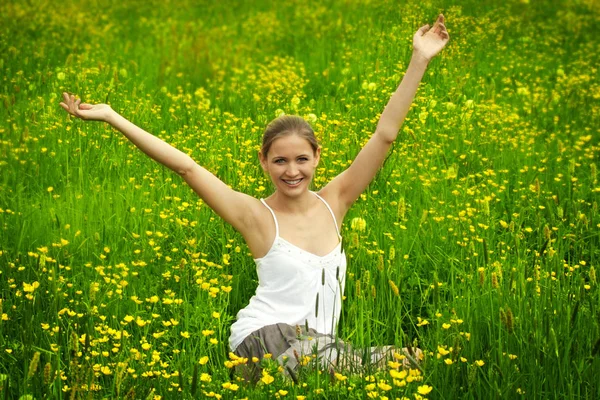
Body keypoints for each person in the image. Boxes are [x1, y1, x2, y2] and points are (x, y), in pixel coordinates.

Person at [60, 15, 449, 382]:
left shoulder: (337, 202)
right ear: (263, 161)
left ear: (317, 157)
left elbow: (386, 135)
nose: (291, 171)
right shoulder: (255, 216)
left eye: (301, 159)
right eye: (279, 160)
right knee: (326, 360)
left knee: (388, 361)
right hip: (261, 339)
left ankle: (361, 362)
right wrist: (113, 116)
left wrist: (419, 59)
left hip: (318, 345)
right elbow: (187, 168)